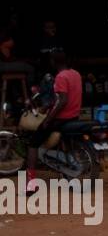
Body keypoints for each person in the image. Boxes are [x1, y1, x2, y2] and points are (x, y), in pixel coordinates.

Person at [29, 50, 82, 194]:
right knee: (62, 143)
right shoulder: (75, 74)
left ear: (53, 62)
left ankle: (31, 184)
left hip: (61, 118)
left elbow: (63, 101)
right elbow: (63, 98)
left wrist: (48, 119)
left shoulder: (60, 77)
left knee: (33, 144)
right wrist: (48, 106)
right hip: (74, 116)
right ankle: (68, 178)